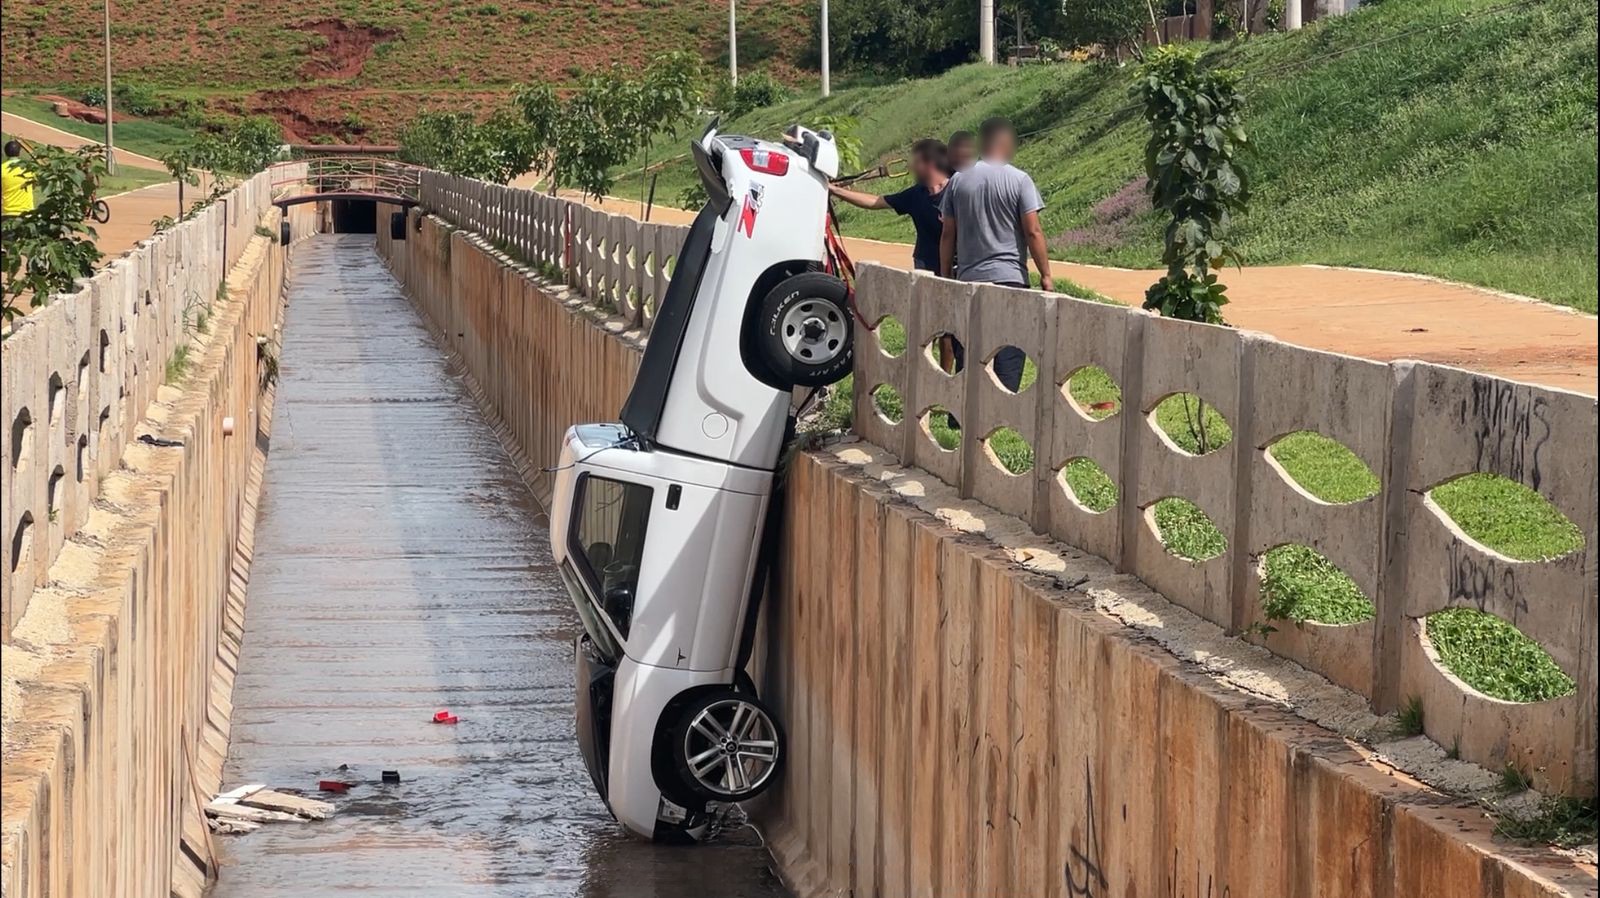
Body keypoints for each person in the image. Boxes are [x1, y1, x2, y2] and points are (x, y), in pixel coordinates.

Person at [938, 117, 1053, 393]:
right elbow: (1033, 231)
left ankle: (963, 415)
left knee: (970, 358)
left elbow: (947, 235)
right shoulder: (1019, 180)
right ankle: (1002, 412)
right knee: (1008, 356)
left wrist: (946, 277)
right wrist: (1046, 276)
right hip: (1010, 281)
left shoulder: (958, 180)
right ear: (1005, 143)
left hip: (969, 283)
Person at [828, 138, 950, 273]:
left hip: (957, 263)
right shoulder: (915, 195)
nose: (911, 167)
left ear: (930, 164)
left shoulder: (958, 190)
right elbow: (876, 202)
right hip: (926, 265)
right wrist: (836, 190)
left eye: (916, 162)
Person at [2, 141, 36, 218]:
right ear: (19, 153)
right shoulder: (29, 168)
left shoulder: (2, 169)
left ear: (5, 152)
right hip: (27, 213)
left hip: (7, 213)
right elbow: (33, 186)